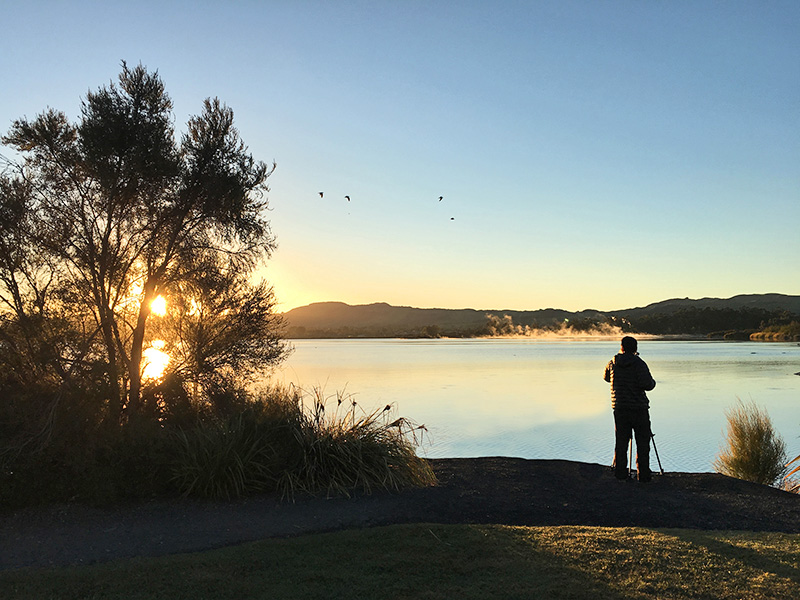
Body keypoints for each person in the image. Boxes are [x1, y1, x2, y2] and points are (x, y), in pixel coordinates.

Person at [604, 336, 656, 482]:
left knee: (621, 441)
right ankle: (643, 474)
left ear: (621, 347)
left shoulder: (612, 362)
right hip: (638, 408)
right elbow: (647, 384)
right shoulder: (639, 364)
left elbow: (606, 378)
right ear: (635, 348)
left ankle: (620, 473)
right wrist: (653, 382)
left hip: (619, 407)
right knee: (643, 441)